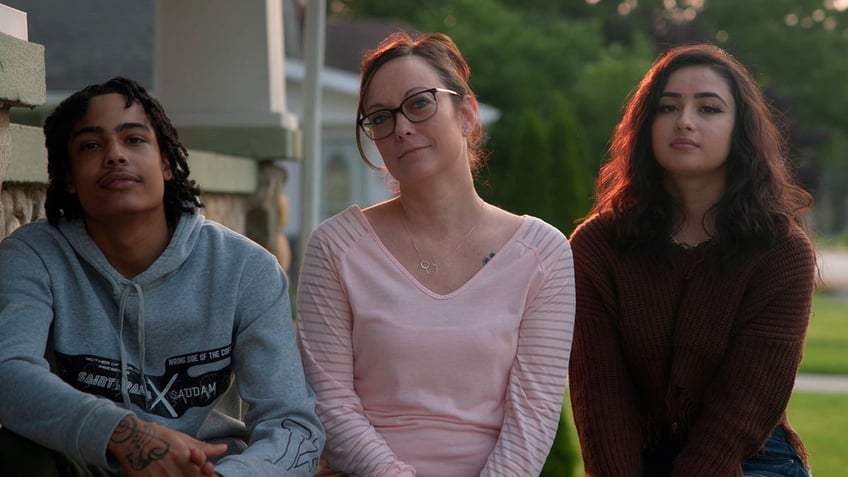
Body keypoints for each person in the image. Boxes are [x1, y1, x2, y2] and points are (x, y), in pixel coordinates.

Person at [0, 77, 324, 476]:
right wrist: (123, 433)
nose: (115, 155)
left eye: (134, 139)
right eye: (90, 145)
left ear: (166, 162)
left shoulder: (245, 270)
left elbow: (293, 425)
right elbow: (8, 372)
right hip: (88, 464)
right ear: (68, 176)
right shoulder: (34, 256)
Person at [295, 31, 575, 477]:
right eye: (381, 117)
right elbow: (330, 403)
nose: (401, 126)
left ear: (466, 115)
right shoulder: (336, 248)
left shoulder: (543, 254)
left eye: (419, 103)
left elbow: (533, 420)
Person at [568, 43, 816, 476]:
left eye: (709, 109)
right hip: (640, 461)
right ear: (646, 126)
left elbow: (740, 414)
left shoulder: (780, 252)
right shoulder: (597, 247)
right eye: (667, 107)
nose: (684, 121)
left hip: (751, 459)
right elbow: (602, 400)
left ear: (740, 130)